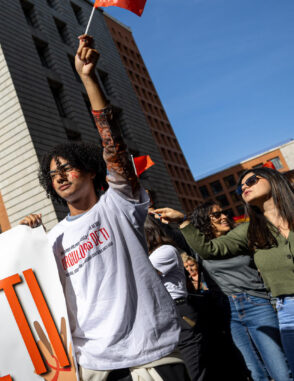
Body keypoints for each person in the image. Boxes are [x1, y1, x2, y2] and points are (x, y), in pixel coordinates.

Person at [21, 35, 185, 380]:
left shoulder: (118, 203)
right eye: (52, 174)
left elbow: (114, 144)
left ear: (91, 169)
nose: (60, 176)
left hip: (148, 353)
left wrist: (88, 79)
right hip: (94, 364)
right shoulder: (53, 238)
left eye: (67, 167)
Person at [156, 199, 292, 381]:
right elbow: (173, 232)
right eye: (216, 214)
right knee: (253, 372)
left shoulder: (244, 236)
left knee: (280, 369)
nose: (224, 217)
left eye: (224, 213)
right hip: (227, 311)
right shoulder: (199, 246)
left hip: (257, 304)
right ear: (205, 221)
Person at [145, 216, 206, 380]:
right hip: (160, 313)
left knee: (192, 368)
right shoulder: (149, 255)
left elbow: (143, 276)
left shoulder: (165, 251)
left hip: (178, 311)